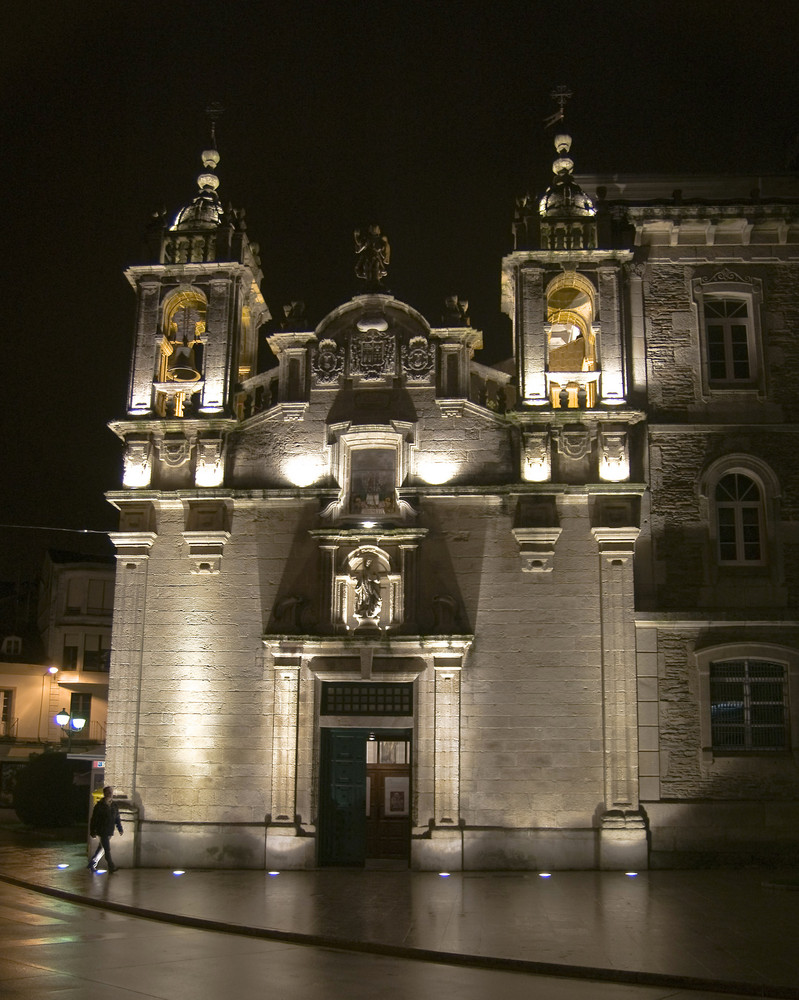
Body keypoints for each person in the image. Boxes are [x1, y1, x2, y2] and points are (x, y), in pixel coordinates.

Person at [88, 786, 123, 872]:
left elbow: (117, 818)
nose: (110, 794)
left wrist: (120, 828)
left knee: (101, 848)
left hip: (110, 830)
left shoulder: (114, 806)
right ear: (104, 794)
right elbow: (94, 819)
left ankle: (92, 863)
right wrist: (93, 830)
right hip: (102, 830)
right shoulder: (99, 806)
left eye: (111, 792)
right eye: (108, 792)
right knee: (107, 849)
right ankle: (111, 866)